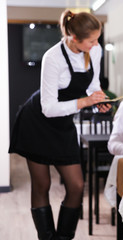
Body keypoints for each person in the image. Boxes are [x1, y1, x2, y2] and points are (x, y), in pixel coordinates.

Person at [9, 10, 111, 240]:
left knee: (76, 185)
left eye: (97, 39)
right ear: (75, 38)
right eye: (92, 40)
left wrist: (97, 103)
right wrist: (85, 102)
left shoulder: (94, 51)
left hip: (63, 124)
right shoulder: (52, 57)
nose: (96, 44)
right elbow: (48, 107)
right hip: (36, 122)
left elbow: (93, 86)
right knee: (42, 184)